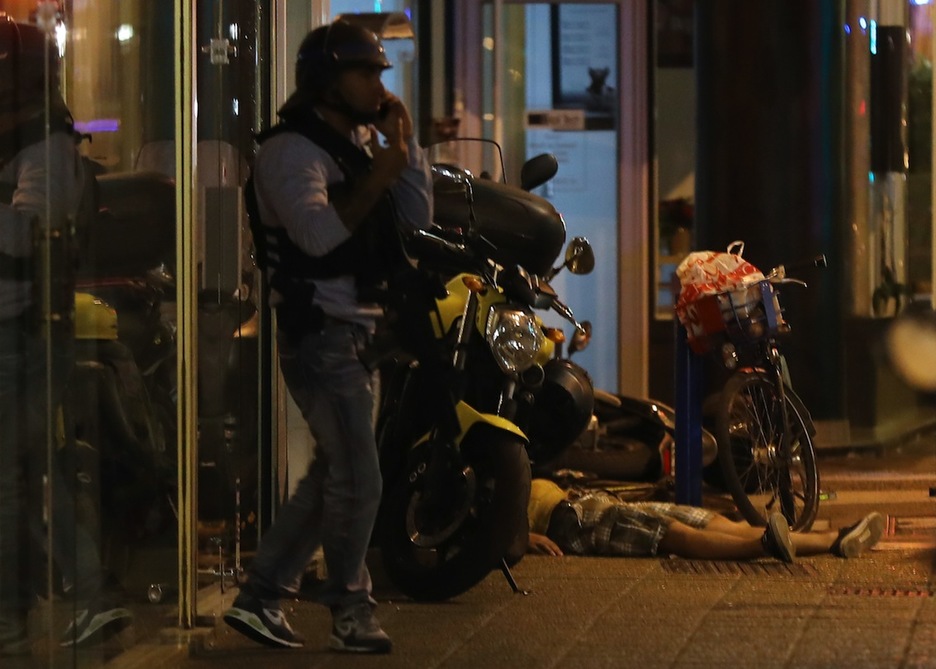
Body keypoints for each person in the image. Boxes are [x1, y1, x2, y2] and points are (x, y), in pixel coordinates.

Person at [222, 19, 432, 655]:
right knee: (359, 480)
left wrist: (405, 151)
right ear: (327, 79)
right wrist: (382, 169)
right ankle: (350, 608)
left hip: (358, 332)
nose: (377, 84)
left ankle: (260, 598)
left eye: (379, 74)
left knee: (334, 474)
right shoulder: (290, 151)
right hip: (320, 334)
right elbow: (317, 236)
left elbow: (415, 217)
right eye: (364, 72)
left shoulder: (357, 147)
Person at [0, 14, 130, 656]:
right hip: (15, 330)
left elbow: (30, 231)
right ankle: (83, 596)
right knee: (30, 472)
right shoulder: (18, 138)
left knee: (13, 477)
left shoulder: (45, 144)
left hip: (20, 332)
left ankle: (28, 613)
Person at [526, 478, 884, 562]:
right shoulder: (479, 490)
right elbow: (472, 535)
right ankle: (761, 546)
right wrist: (524, 538)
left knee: (712, 520)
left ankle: (834, 539)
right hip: (571, 524)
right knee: (672, 534)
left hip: (589, 502)